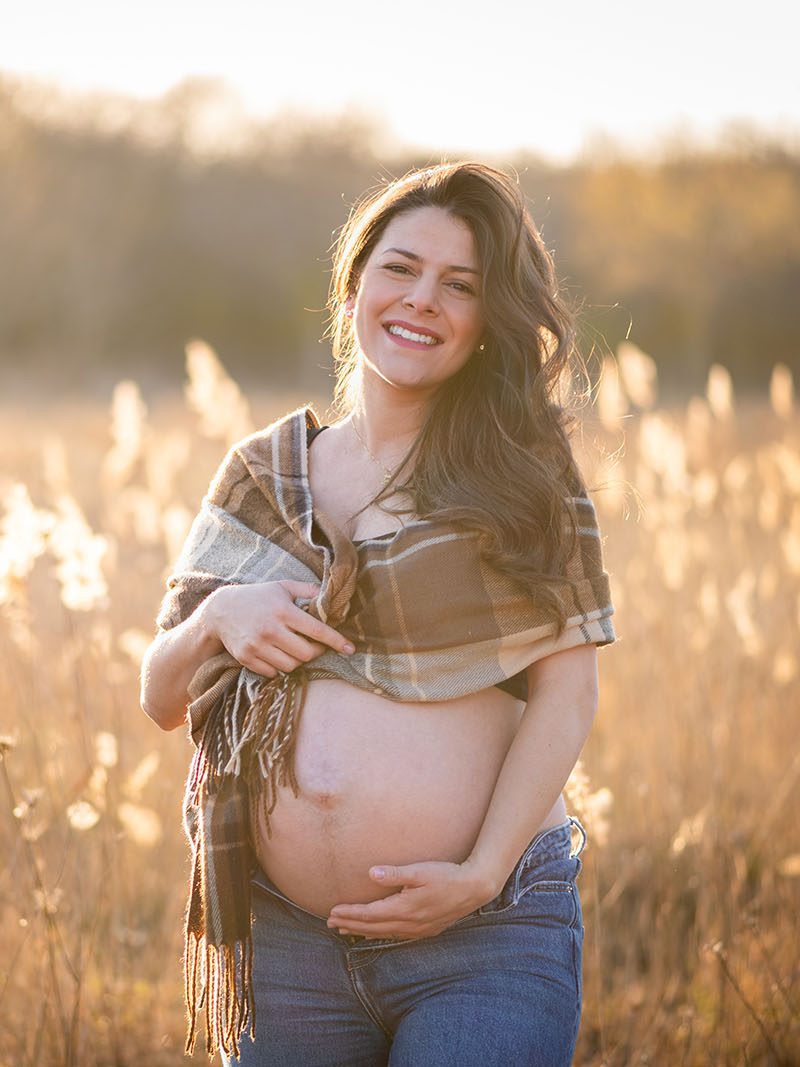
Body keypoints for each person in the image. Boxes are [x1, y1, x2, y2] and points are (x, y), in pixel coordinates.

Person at [139, 160, 618, 1066]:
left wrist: (478, 878)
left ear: (487, 322)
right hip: (288, 947)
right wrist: (219, 619)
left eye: (460, 285)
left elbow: (569, 691)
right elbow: (162, 695)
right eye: (400, 268)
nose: (422, 299)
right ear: (355, 282)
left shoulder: (518, 475)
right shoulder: (261, 474)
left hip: (482, 935)